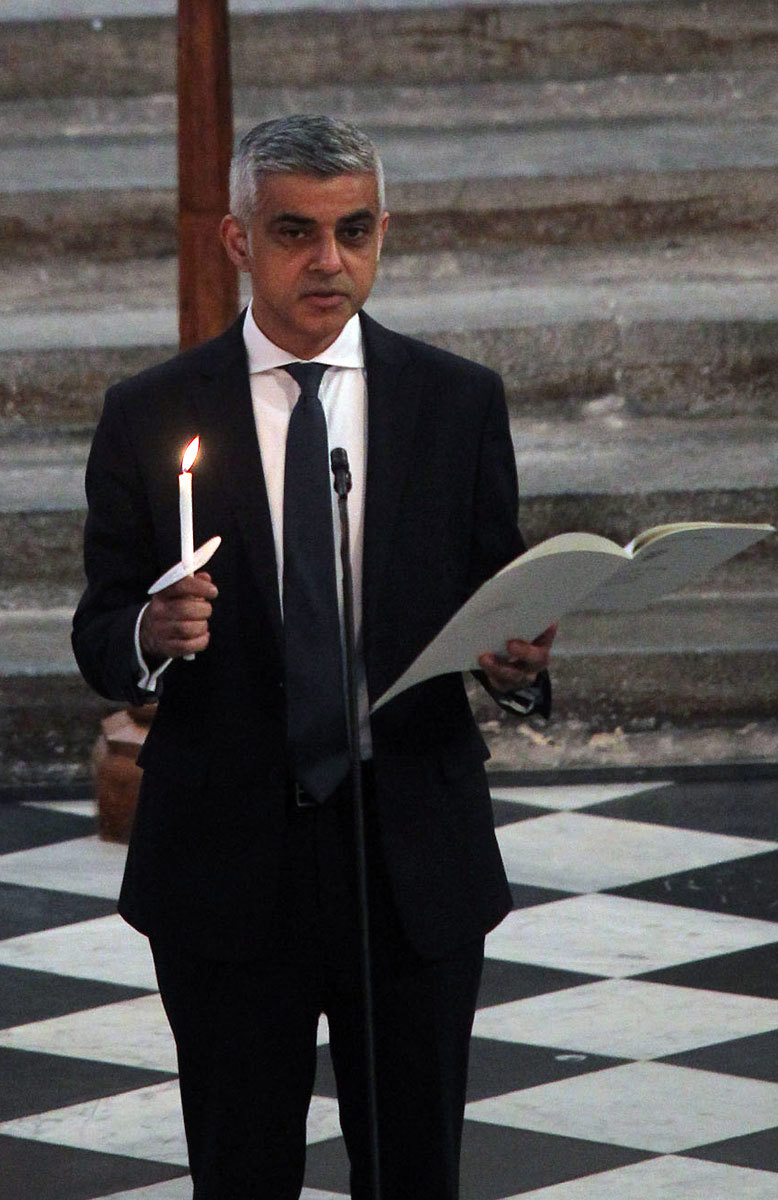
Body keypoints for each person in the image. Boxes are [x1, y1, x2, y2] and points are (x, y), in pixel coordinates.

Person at [72, 114, 555, 1200]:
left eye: (352, 230)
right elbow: (99, 625)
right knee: (241, 1174)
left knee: (414, 1171)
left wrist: (515, 663)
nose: (328, 261)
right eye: (295, 231)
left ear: (383, 231)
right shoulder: (150, 412)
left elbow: (498, 597)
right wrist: (148, 634)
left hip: (409, 859)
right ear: (238, 241)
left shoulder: (455, 403)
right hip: (227, 865)